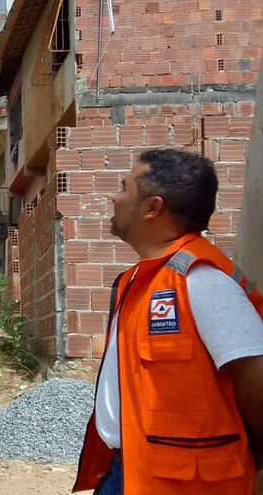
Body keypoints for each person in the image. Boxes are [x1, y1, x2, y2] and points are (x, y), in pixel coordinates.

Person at [72, 148, 263, 495]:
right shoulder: (140, 279)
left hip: (185, 484)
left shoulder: (201, 281)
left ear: (152, 207)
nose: (113, 197)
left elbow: (257, 378)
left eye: (124, 187)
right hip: (130, 471)